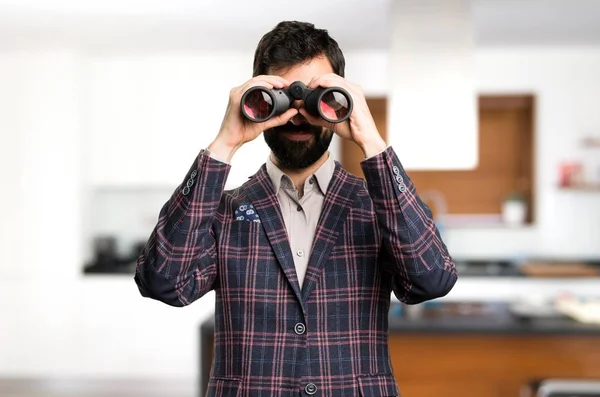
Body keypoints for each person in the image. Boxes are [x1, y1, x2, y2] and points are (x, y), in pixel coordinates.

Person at [135, 20, 457, 397]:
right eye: (284, 96)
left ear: (340, 100)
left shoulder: (374, 207)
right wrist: (224, 144)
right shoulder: (226, 210)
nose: (300, 114)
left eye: (318, 95)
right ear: (257, 98)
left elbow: (432, 279)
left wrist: (371, 140)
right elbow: (162, 281)